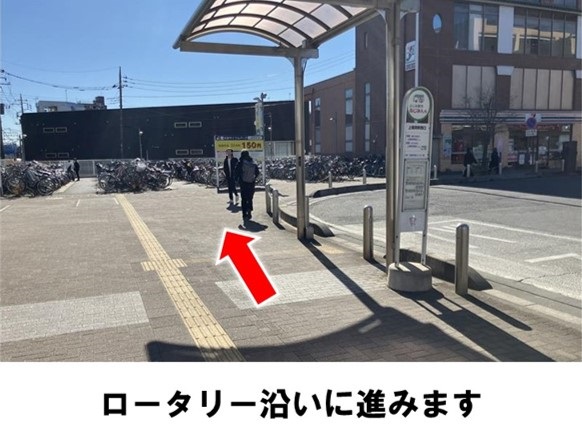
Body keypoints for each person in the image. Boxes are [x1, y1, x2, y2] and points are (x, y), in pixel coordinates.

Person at [234, 149, 259, 221]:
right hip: (251, 183)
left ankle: (244, 214)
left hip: (243, 183)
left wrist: (236, 180)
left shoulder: (240, 162)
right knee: (250, 198)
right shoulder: (252, 162)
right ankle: (249, 210)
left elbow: (236, 172)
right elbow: (257, 172)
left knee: (244, 198)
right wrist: (253, 178)